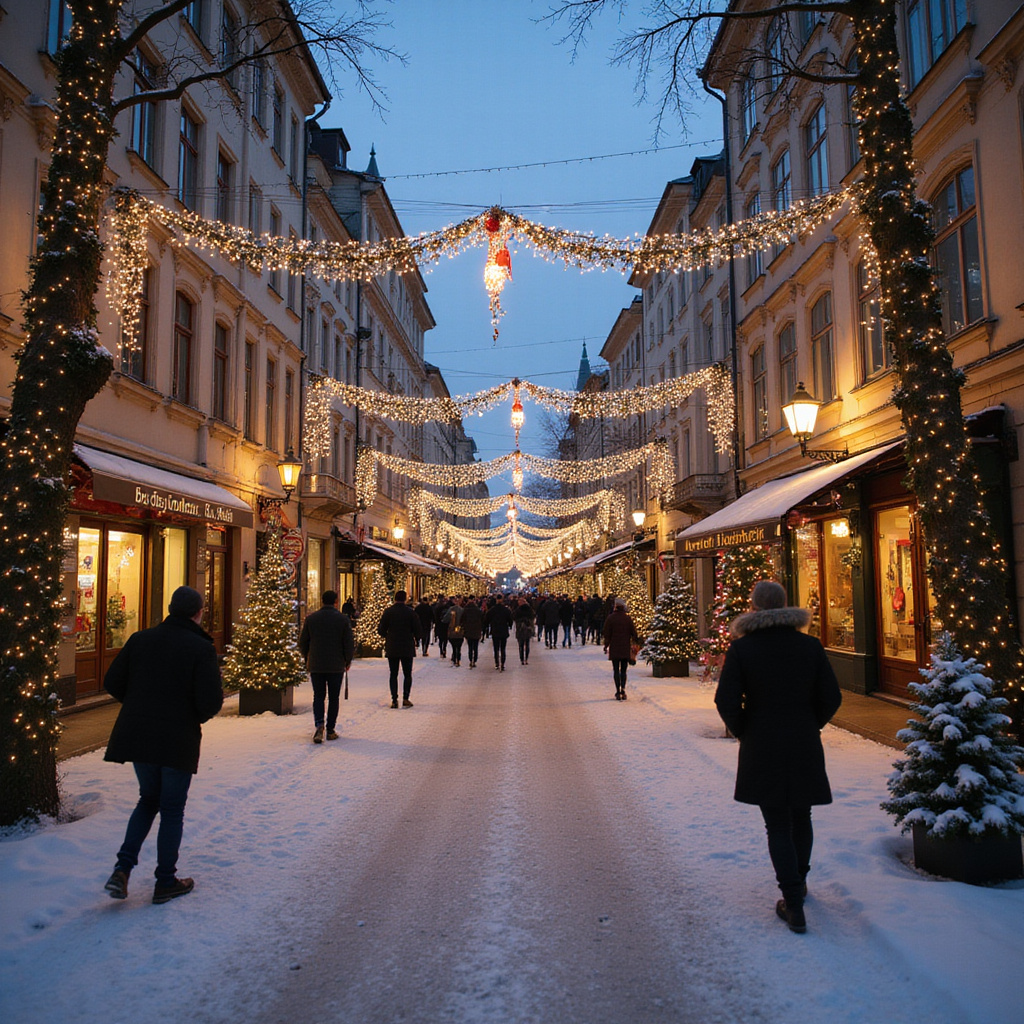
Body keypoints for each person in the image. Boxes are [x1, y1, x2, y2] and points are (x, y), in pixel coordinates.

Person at [714, 580, 842, 935]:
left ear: (754, 608)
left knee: (777, 822)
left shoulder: (743, 649)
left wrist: (745, 730)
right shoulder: (809, 646)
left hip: (763, 743)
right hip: (802, 740)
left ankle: (793, 901)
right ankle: (798, 883)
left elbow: (726, 701)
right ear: (785, 605)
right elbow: (831, 697)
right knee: (802, 814)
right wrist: (810, 722)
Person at [102, 586, 224, 905]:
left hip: (139, 734)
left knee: (147, 800)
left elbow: (112, 682)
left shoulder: (141, 639)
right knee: (171, 808)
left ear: (170, 608)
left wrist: (140, 706)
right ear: (198, 613)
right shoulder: (200, 648)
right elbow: (211, 702)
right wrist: (189, 715)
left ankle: (122, 869)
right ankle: (165, 881)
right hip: (176, 738)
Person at [299, 590, 354, 744]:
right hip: (336, 664)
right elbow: (348, 643)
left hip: (316, 664)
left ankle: (319, 724)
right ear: (336, 601)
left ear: (322, 601)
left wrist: (307, 657)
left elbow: (303, 642)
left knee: (318, 696)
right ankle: (330, 729)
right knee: (334, 697)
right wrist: (347, 660)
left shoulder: (311, 619)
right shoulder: (342, 619)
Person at [377, 590, 422, 708]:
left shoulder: (388, 612)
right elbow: (418, 630)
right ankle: (406, 698)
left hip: (392, 646)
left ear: (395, 599)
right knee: (407, 674)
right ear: (405, 599)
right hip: (407, 646)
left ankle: (394, 699)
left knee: (393, 673)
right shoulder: (411, 613)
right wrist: (416, 639)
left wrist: (388, 636)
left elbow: (381, 630)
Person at [603, 597, 639, 701]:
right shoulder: (627, 618)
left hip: (615, 648)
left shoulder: (610, 618)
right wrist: (635, 642)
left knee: (615, 670)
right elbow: (634, 633)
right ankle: (623, 689)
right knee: (623, 670)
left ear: (615, 606)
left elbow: (607, 634)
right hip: (625, 648)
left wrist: (606, 645)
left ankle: (617, 691)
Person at [485, 593, 514, 671]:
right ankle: (502, 663)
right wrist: (510, 625)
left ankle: (497, 663)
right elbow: (510, 619)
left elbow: (487, 619)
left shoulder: (492, 610)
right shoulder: (506, 610)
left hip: (495, 630)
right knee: (503, 648)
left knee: (496, 648)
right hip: (503, 631)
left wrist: (487, 626)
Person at [460, 596, 484, 668]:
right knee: (475, 647)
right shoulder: (477, 610)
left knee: (470, 647)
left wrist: (463, 627)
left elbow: (462, 620)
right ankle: (475, 660)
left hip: (468, 630)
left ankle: (471, 660)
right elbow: (482, 619)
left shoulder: (465, 610)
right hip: (476, 630)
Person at [513, 596, 536, 665]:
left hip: (520, 628)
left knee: (521, 645)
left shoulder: (518, 610)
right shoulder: (529, 609)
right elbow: (533, 616)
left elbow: (514, 617)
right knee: (527, 644)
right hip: (528, 628)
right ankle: (526, 658)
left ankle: (522, 659)